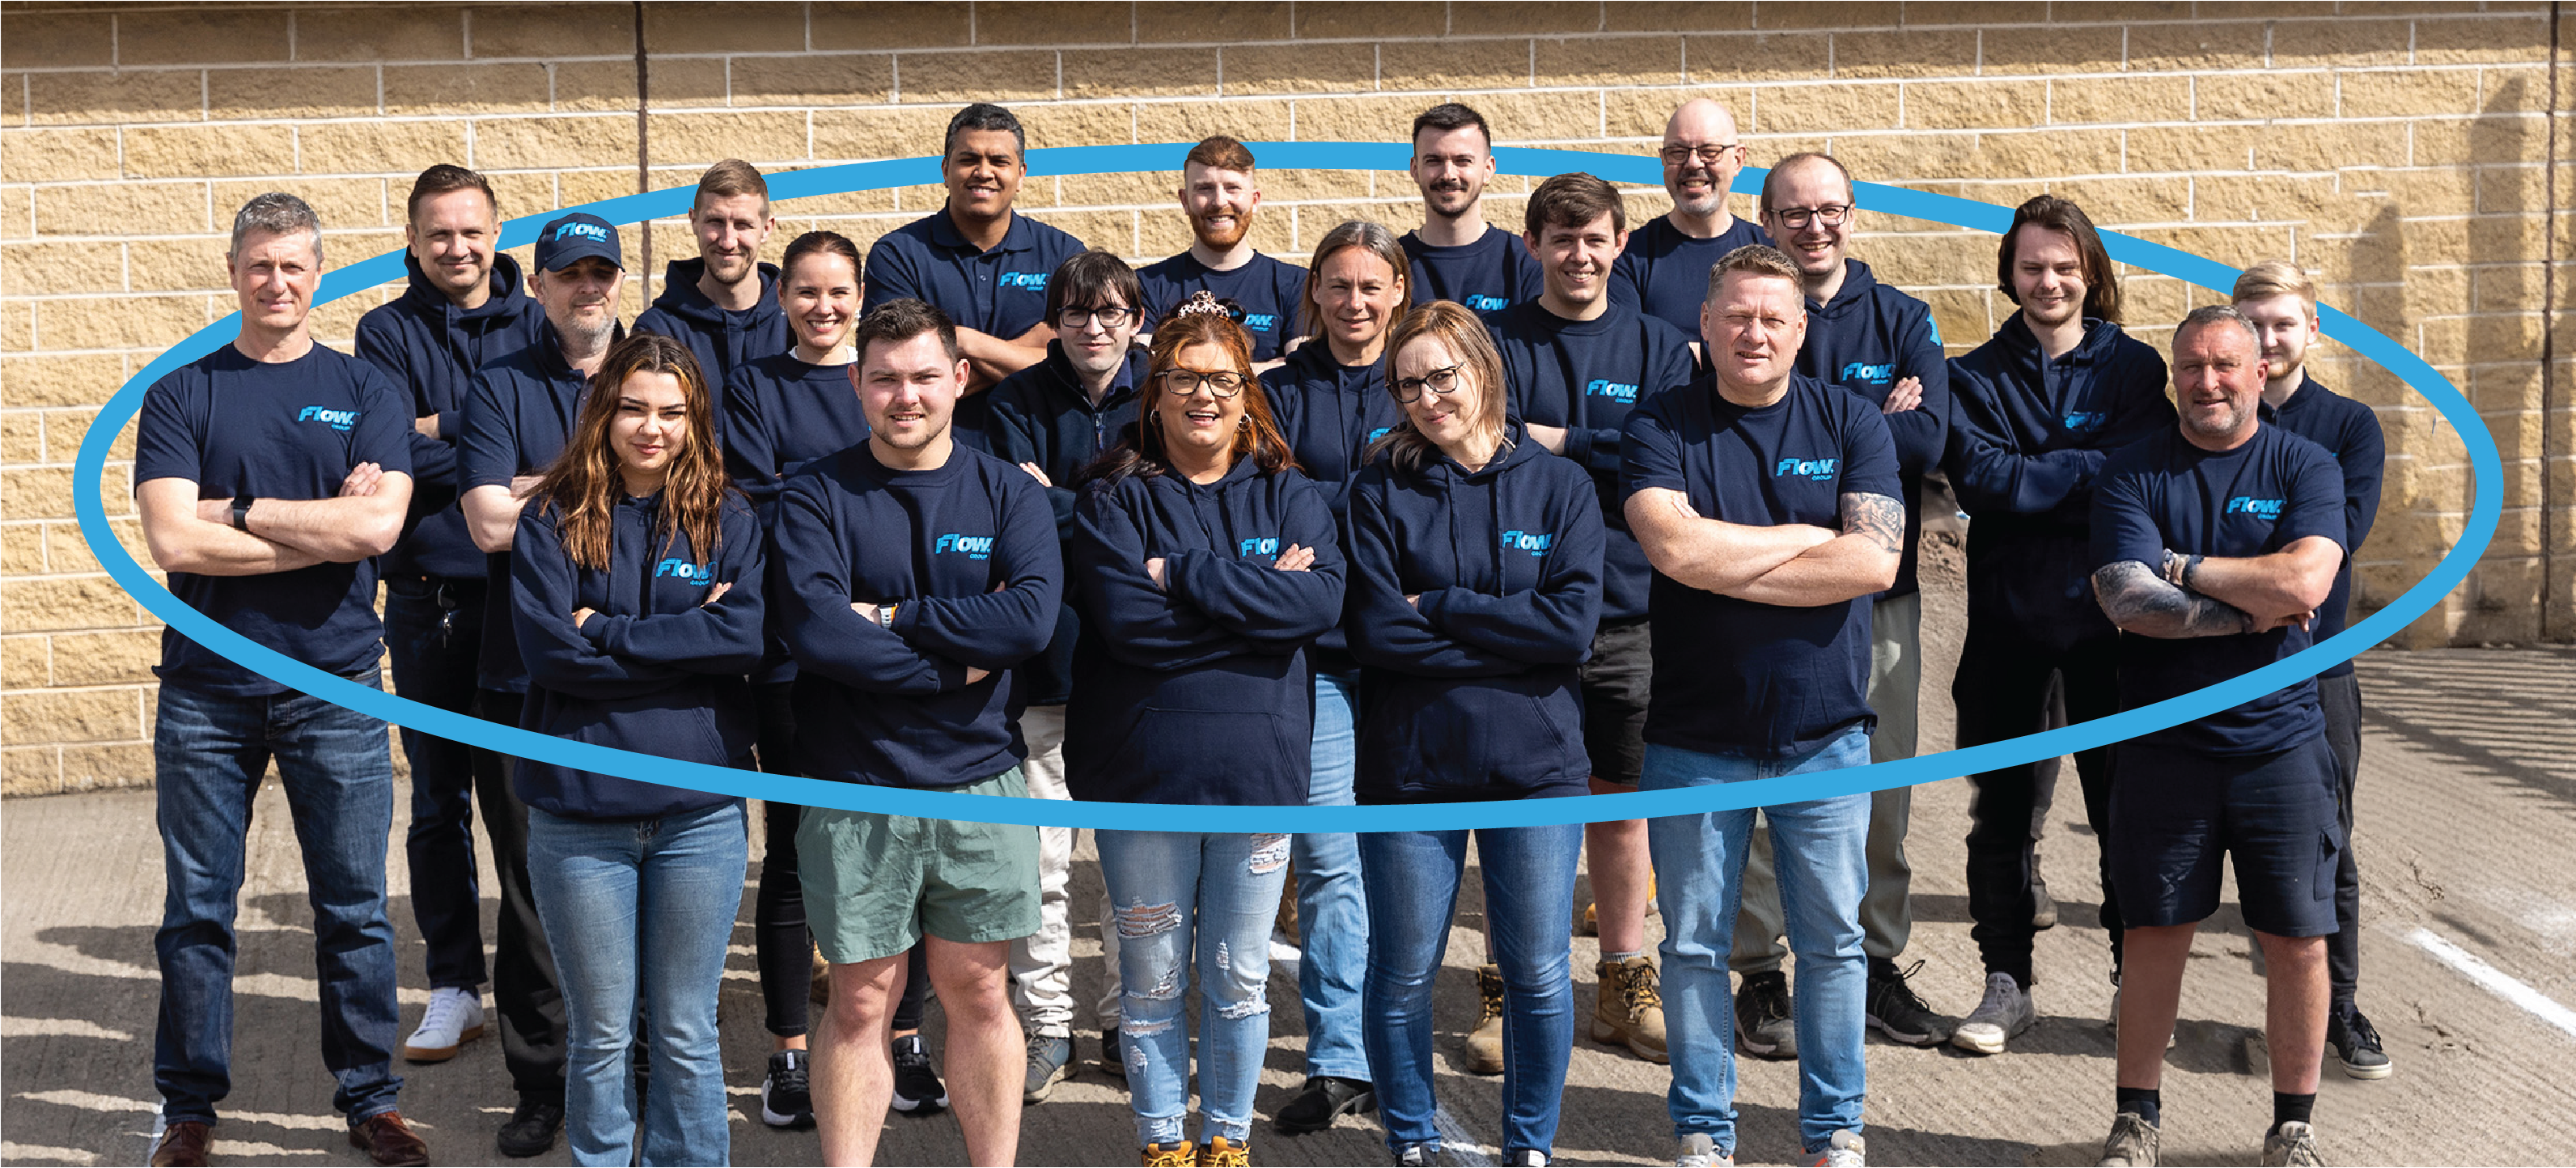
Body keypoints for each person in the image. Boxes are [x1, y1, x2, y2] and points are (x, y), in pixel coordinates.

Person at [134, 192, 428, 1168]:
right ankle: (188, 1109)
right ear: (233, 272)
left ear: (318, 274)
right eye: (259, 264)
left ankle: (371, 1100)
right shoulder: (183, 393)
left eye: (293, 264)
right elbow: (175, 541)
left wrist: (238, 509)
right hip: (206, 691)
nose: (277, 281)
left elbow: (377, 528)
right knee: (197, 911)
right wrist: (318, 531)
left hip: (335, 684)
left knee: (353, 909)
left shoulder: (365, 387)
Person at [1621, 244, 1903, 1168]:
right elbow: (1675, 553)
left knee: (1832, 947)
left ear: (1800, 328)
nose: (1754, 333)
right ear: (1705, 324)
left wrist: (1723, 558)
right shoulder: (1659, 423)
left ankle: (1833, 1133)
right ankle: (1704, 1131)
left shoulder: (1851, 420)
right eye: (1737, 315)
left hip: (1825, 739)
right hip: (1694, 741)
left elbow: (1874, 562)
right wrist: (1802, 539)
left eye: (1773, 318)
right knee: (1694, 948)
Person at [772, 298, 1061, 1168]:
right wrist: (954, 667)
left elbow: (1029, 620)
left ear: (960, 379)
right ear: (856, 384)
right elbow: (820, 634)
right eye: (886, 379)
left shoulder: (1010, 491)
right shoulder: (815, 493)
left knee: (979, 993)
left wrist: (893, 617)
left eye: (925, 376)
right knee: (861, 1001)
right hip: (854, 786)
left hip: (982, 783)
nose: (906, 396)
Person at [1065, 305, 1345, 1168]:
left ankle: (1227, 1139)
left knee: (1238, 977)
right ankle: (1162, 1143)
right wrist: (1257, 609)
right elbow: (1128, 625)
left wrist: (1182, 574)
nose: (1203, 395)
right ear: (1154, 392)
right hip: (1143, 777)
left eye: (1223, 379)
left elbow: (1318, 603)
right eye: (1183, 378)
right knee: (1151, 979)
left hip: (1257, 779)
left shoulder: (1289, 493)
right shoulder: (1112, 497)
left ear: (1247, 393)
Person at [2087, 305, 2348, 1168]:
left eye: (2225, 365)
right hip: (2164, 746)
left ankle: (2292, 1128)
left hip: (2282, 745)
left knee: (2297, 940)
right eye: (2192, 367)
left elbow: (2305, 581)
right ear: (2175, 376)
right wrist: (2251, 610)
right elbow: (2129, 600)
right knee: (2154, 932)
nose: (2208, 382)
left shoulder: (2304, 463)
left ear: (2259, 372)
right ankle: (2136, 1121)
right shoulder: (2132, 472)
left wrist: (2184, 567)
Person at [1349, 302, 1605, 1168]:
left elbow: (1571, 628)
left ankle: (1528, 1146)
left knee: (1536, 974)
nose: (1427, 399)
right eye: (1407, 385)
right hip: (1411, 768)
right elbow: (1378, 632)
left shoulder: (1561, 487)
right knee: (1402, 972)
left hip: (1536, 769)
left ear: (1483, 369)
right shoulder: (1379, 490)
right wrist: (1511, 634)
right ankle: (1413, 1138)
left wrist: (1443, 606)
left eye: (1441, 377)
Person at [511, 332, 765, 1168]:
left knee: (687, 1028)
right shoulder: (550, 518)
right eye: (633, 409)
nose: (652, 428)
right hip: (580, 815)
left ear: (695, 419)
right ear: (603, 411)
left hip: (699, 817)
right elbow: (553, 657)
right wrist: (687, 644)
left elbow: (743, 638)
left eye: (671, 412)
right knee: (602, 1030)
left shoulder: (729, 518)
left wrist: (608, 632)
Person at [1731, 151, 1955, 1057]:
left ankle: (1874, 963)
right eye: (1793, 212)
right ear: (1766, 220)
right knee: (1756, 788)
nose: (1813, 226)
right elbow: (1740, 439)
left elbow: (1928, 438)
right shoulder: (1753, 309)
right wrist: (1868, 423)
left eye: (1829, 209)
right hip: (1762, 593)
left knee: (1879, 788)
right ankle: (1761, 971)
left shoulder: (1901, 316)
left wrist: (1826, 435)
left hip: (1877, 597)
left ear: (1853, 215)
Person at [351, 163, 553, 1154]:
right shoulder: (385, 332)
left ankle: (537, 989)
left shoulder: (541, 316)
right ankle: (453, 984)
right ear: (414, 241)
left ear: (495, 232)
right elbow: (386, 449)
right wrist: (492, 443)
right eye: (439, 234)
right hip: (426, 597)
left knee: (521, 808)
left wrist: (442, 430)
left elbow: (568, 434)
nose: (457, 248)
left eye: (471, 231)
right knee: (437, 801)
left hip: (523, 599)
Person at [1942, 195, 2175, 1056]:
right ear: (2009, 274)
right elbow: (1985, 483)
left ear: (2091, 274)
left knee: (2125, 813)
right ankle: (2007, 983)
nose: (2049, 282)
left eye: (2065, 267)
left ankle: (2131, 983)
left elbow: (2143, 475)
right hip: (2009, 624)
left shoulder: (2136, 368)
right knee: (2001, 816)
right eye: (2033, 266)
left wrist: (2041, 471)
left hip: (2114, 629)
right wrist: (2086, 468)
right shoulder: (1972, 376)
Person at [1484, 173, 1695, 1072]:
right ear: (1532, 244)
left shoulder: (1660, 347)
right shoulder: (1494, 344)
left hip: (1628, 612)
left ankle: (1621, 983)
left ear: (1619, 244)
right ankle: (1505, 988)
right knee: (1516, 812)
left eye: (1594, 238)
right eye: (1561, 238)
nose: (1579, 254)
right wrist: (1594, 455)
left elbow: (1665, 460)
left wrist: (1561, 441)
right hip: (1521, 613)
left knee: (1620, 806)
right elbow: (1483, 454)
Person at [984, 250, 1155, 1100]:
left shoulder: (1163, 394)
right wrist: (1117, 514)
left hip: (1135, 668)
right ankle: (1048, 1023)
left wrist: (1064, 502)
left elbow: (1170, 513)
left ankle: (1131, 1024)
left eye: (1111, 311)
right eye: (1078, 312)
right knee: (1043, 864)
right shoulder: (1012, 404)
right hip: (1043, 665)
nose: (1094, 327)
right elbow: (1012, 518)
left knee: (1132, 868)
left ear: (1136, 319)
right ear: (1055, 320)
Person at [1256, 218, 1413, 1136]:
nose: (1355, 302)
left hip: (1413, 657)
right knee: (1327, 859)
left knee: (1405, 859)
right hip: (1314, 659)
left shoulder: (1425, 382)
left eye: (1371, 286)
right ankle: (1340, 1056)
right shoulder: (1274, 394)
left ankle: (1396, 1049)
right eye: (1338, 284)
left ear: (1398, 291)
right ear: (1312, 291)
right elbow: (1256, 500)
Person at [719, 229, 875, 1130]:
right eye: (807, 292)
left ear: (861, 296)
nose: (824, 307)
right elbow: (755, 500)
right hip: (786, 654)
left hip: (880, 660)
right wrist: (859, 490)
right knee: (791, 852)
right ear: (782, 298)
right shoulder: (754, 385)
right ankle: (786, 1051)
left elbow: (908, 486)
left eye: (839, 291)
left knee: (884, 852)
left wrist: (810, 487)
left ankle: (892, 1039)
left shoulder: (882, 380)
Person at [2231, 261, 2390, 1084]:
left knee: (2326, 843)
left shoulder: (2349, 426)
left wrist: (2237, 572)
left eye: (2282, 323)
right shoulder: (2206, 418)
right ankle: (2265, 1006)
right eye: (2252, 323)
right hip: (2212, 666)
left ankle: (2341, 1007)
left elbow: (2335, 542)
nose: (2267, 339)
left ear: (2312, 329)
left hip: (2314, 666)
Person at [864, 102, 1087, 396]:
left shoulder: (1064, 255)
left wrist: (963, 341)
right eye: (969, 160)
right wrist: (1035, 355)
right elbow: (903, 376)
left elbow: (1082, 363)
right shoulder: (897, 255)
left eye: (999, 161)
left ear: (1021, 175)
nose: (983, 172)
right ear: (946, 170)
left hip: (1042, 427)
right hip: (938, 429)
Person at [1136, 136, 1308, 364]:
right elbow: (1144, 373)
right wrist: (1266, 368)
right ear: (1185, 201)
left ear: (1255, 200)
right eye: (1205, 189)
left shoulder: (1296, 285)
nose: (1219, 201)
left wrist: (1180, 370)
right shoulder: (1146, 285)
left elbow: (1300, 373)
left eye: (1232, 188)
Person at [633, 159, 786, 413]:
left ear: (766, 228)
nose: (728, 242)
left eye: (743, 225)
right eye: (715, 222)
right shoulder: (657, 331)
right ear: (694, 221)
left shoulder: (795, 322)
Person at [1610, 98, 1765, 343]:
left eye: (1710, 151)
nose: (1693, 163)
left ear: (1738, 160)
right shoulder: (1629, 258)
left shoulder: (1770, 251)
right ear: (1663, 160)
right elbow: (1632, 352)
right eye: (1678, 152)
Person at [1399, 103, 1542, 314]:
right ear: (1415, 169)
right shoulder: (1390, 264)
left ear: (1488, 169)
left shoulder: (1525, 262)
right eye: (1434, 161)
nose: (1448, 174)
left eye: (1463, 161)